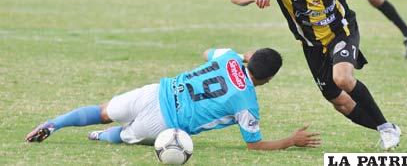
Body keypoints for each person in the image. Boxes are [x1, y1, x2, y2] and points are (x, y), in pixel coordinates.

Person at [231, 0, 400, 150]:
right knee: (340, 102)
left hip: (342, 32)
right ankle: (388, 128)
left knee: (343, 78)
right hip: (312, 46)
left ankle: (385, 128)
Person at [26, 48, 321, 150]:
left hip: (158, 91)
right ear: (268, 79)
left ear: (251, 58)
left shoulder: (230, 56)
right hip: (166, 122)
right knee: (127, 135)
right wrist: (291, 141)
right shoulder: (247, 103)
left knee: (104, 109)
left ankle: (54, 124)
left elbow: (207, 52)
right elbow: (254, 145)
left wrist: (242, 55)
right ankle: (101, 137)